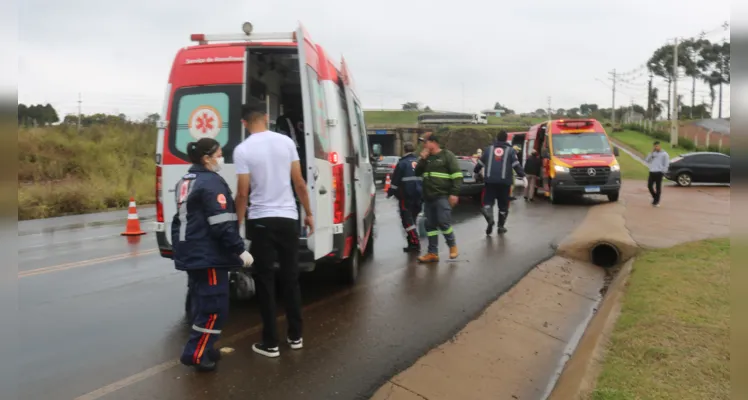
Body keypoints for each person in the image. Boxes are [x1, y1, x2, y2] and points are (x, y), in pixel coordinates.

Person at [234, 103, 313, 358]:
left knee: (265, 280)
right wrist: (309, 213)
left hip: (261, 221)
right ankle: (296, 336)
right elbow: (299, 182)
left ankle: (270, 343)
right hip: (288, 218)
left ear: (244, 123)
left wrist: (237, 223)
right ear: (266, 118)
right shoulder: (286, 142)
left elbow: (243, 192)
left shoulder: (243, 150)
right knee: (291, 278)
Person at [171, 138, 254, 372]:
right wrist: (239, 249)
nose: (221, 157)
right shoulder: (211, 183)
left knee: (201, 304)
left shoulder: (185, 180)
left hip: (192, 252)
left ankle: (206, 349)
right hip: (208, 255)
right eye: (218, 154)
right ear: (206, 158)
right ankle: (195, 354)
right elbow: (222, 223)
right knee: (214, 307)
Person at [415, 132, 462, 263]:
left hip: (442, 195)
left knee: (443, 222)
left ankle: (452, 246)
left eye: (425, 142)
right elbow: (417, 172)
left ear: (433, 142)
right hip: (428, 197)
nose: (424, 145)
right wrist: (422, 159)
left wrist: (454, 193)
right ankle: (432, 253)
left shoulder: (447, 156)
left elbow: (457, 175)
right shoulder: (426, 158)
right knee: (430, 225)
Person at [475, 130, 526, 235]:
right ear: (506, 139)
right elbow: (516, 165)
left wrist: (475, 172)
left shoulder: (488, 150)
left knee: (487, 203)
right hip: (504, 184)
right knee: (503, 206)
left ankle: (490, 219)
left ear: (497, 139)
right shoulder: (511, 151)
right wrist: (523, 176)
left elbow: (480, 163)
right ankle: (501, 226)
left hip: (490, 182)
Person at [387, 142, 423, 253]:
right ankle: (411, 243)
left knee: (407, 221)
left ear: (404, 150)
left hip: (406, 196)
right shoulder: (419, 162)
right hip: (419, 195)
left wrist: (390, 192)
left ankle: (415, 242)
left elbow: (395, 181)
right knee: (413, 219)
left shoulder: (402, 163)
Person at [645, 141, 669, 207]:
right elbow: (647, 160)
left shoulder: (664, 154)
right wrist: (651, 153)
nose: (656, 147)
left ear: (660, 146)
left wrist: (663, 172)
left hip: (659, 172)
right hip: (652, 171)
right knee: (649, 186)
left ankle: (656, 201)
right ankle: (655, 197)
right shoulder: (653, 153)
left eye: (657, 146)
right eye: (655, 146)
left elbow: (666, 164)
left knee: (658, 187)